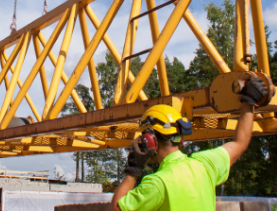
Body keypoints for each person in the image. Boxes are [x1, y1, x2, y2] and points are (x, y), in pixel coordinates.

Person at [111, 74, 267, 211]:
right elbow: (240, 143)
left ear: (149, 140)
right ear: (180, 137)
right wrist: (249, 101)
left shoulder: (157, 184)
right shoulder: (205, 165)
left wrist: (133, 170)